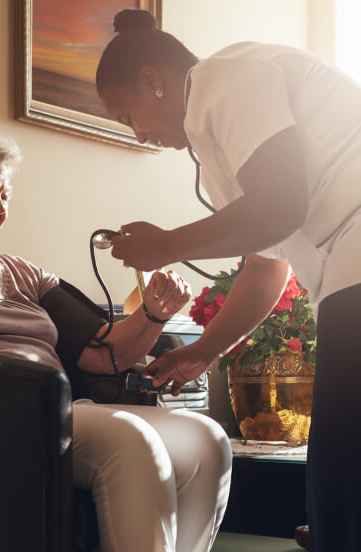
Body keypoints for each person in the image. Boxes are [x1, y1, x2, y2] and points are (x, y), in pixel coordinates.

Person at [96, 8, 361, 552]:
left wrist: (167, 243)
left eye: (128, 117)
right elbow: (267, 266)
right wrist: (204, 353)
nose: (140, 135)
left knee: (342, 478)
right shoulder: (217, 146)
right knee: (336, 481)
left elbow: (282, 206)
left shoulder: (227, 75)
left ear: (153, 81)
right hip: (344, 266)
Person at [0, 125, 232, 552]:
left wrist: (154, 312)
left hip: (55, 410)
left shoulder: (25, 273)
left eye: (5, 196)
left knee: (206, 440)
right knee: (131, 440)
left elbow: (104, 353)